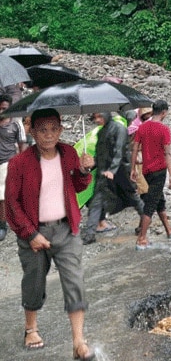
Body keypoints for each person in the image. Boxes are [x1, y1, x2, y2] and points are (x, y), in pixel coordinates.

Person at [5, 108, 96, 360]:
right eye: (42, 130)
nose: (48, 135)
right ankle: (31, 328)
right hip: (33, 231)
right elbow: (12, 203)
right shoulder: (19, 163)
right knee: (34, 281)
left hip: (66, 228)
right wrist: (31, 234)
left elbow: (77, 186)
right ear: (31, 131)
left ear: (61, 130)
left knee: (74, 280)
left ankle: (78, 341)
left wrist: (85, 171)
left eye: (53, 129)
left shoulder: (68, 153)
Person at [82, 112, 145, 245]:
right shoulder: (101, 133)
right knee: (96, 202)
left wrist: (112, 170)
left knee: (133, 198)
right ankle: (90, 234)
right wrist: (92, 164)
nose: (97, 120)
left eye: (100, 116)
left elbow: (119, 151)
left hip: (121, 172)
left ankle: (144, 223)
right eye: (95, 117)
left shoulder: (119, 129)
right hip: (104, 173)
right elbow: (101, 154)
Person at [130, 100, 171, 249]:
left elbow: (135, 149)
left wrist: (132, 169)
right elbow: (167, 153)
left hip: (145, 170)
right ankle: (142, 238)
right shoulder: (164, 130)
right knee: (150, 205)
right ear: (163, 112)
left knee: (158, 199)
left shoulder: (142, 128)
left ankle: (169, 229)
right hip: (159, 171)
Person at [0, 94, 27, 241]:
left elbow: (23, 144)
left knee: (2, 195)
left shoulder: (15, 124)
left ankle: (2, 225)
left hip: (7, 163)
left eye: (4, 108)